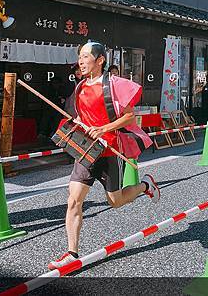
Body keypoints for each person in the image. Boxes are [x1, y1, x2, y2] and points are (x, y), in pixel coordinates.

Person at [48, 42, 160, 270]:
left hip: (110, 150)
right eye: (80, 56)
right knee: (73, 200)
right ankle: (72, 253)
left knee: (115, 201)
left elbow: (130, 118)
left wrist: (104, 129)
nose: (81, 61)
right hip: (87, 151)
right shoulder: (79, 87)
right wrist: (79, 123)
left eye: (86, 56)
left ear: (100, 60)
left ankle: (145, 186)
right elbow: (80, 115)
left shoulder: (115, 85)